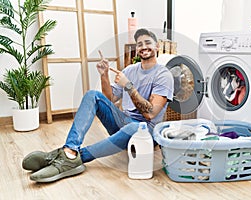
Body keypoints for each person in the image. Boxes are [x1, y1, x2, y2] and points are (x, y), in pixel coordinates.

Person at [21, 28, 174, 183]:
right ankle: (70, 150)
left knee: (135, 127)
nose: (143, 46)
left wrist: (128, 86)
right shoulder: (130, 70)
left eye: (148, 42)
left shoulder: (163, 75)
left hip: (145, 132)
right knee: (92, 95)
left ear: (156, 47)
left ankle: (70, 157)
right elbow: (110, 99)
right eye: (139, 44)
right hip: (123, 124)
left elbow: (150, 113)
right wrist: (104, 75)